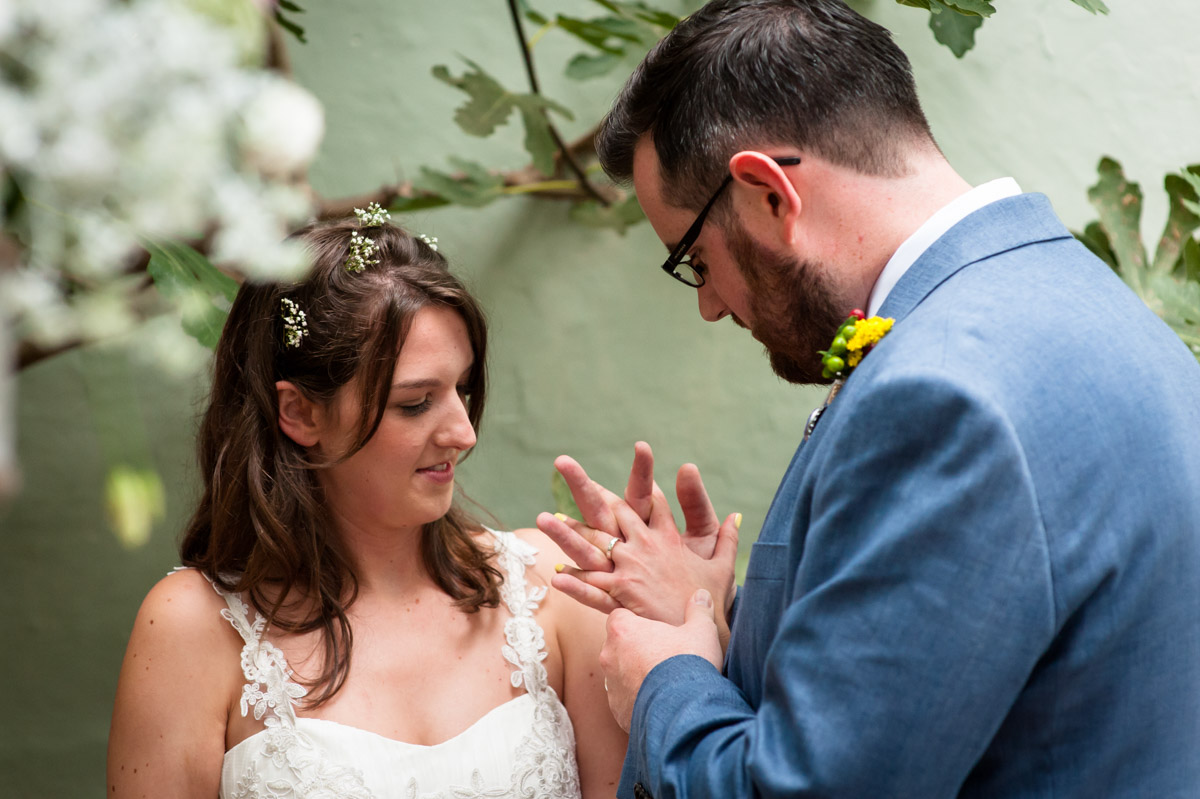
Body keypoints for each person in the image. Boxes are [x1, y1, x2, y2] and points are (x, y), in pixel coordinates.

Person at [537, 1, 1200, 797]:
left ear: (768, 194)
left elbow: (809, 785)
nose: (709, 305)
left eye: (695, 258)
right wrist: (713, 613)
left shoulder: (942, 395)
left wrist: (665, 678)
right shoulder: (1079, 296)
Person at [106, 209, 627, 799]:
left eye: (463, 388)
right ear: (301, 412)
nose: (464, 432)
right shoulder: (192, 628)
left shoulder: (556, 588)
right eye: (414, 403)